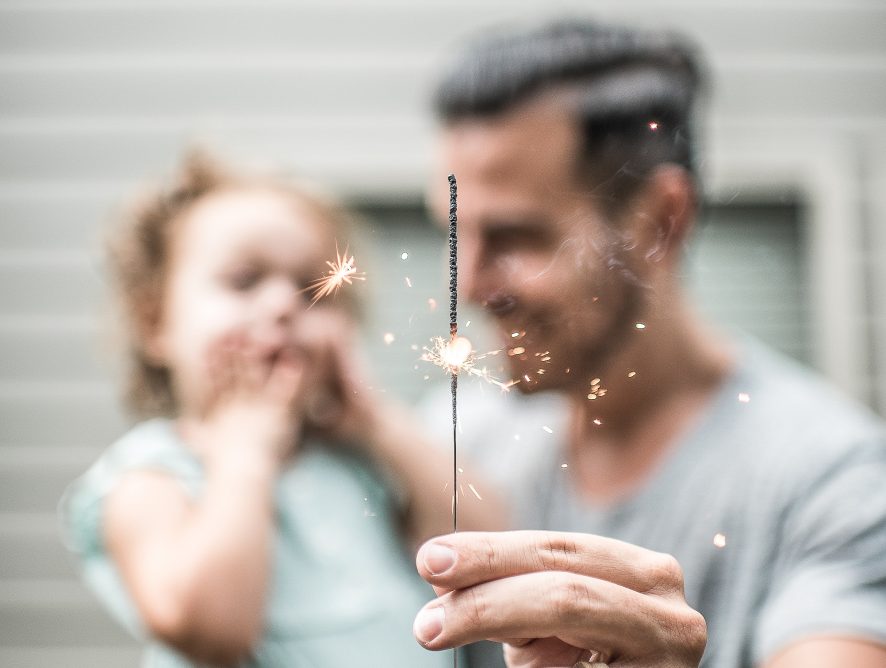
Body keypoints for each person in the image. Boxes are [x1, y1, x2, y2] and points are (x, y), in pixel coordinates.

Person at [411, 18, 886, 668]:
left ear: (660, 223)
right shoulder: (460, 439)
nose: (468, 285)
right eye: (456, 235)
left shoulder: (833, 483)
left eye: (517, 237)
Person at [59, 152, 502, 667]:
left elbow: (490, 550)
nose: (284, 305)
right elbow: (211, 631)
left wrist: (375, 420)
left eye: (313, 291)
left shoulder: (359, 463)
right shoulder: (152, 477)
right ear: (156, 322)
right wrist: (246, 450)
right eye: (245, 280)